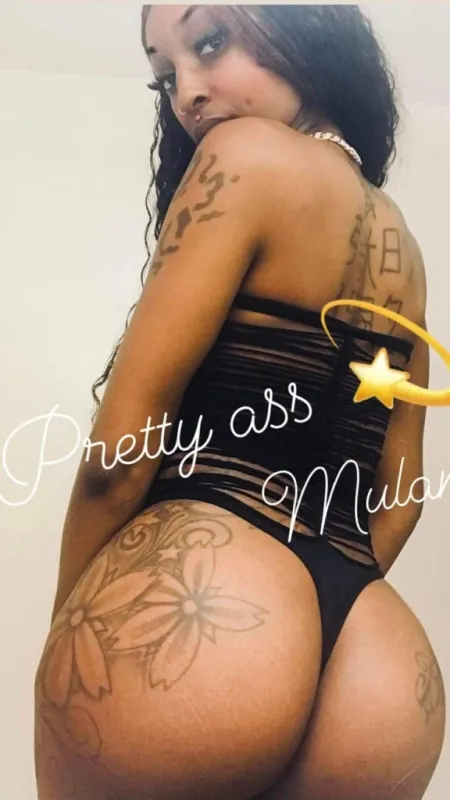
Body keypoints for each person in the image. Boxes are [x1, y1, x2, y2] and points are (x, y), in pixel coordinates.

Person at [34, 5, 446, 799]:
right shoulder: (406, 245)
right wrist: (312, 605)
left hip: (203, 619)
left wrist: (70, 626)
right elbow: (401, 497)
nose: (186, 93)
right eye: (164, 76)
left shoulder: (244, 154)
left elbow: (118, 460)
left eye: (211, 42)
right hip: (378, 658)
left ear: (306, 28)